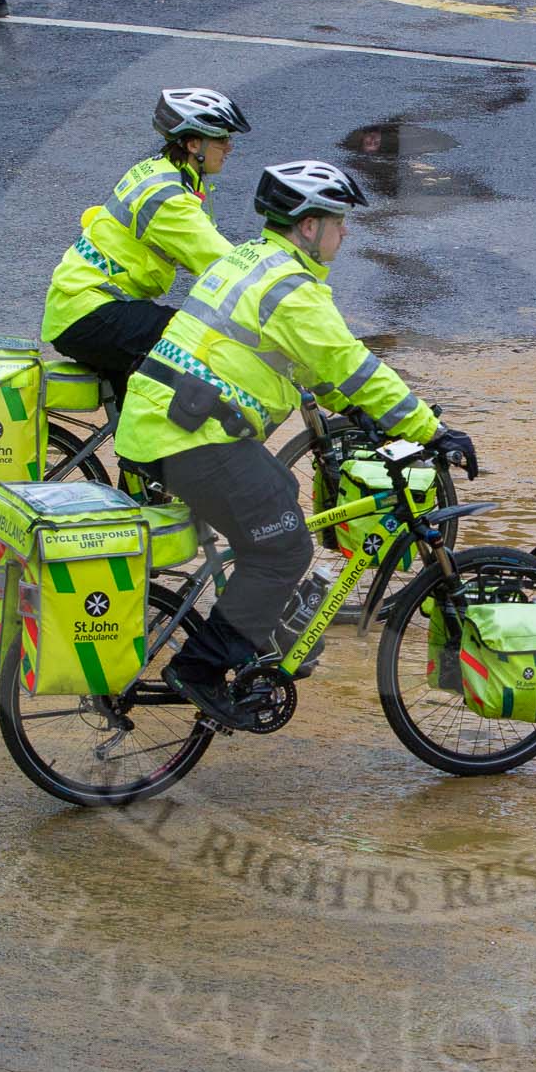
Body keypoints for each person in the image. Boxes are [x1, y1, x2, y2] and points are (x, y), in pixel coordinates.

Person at [115, 161, 478, 728]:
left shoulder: (249, 259)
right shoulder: (294, 291)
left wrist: (353, 408)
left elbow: (308, 366)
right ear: (308, 226)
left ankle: (264, 630)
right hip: (190, 436)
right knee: (283, 550)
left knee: (280, 488)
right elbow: (352, 365)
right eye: (337, 219)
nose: (345, 231)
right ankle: (201, 668)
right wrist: (430, 430)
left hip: (164, 421)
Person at [39, 89, 250, 407]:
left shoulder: (160, 171)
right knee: (192, 342)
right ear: (194, 144)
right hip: (90, 313)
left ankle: (140, 453)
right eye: (221, 139)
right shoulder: (170, 199)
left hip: (83, 306)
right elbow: (221, 262)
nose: (229, 147)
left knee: (152, 397)